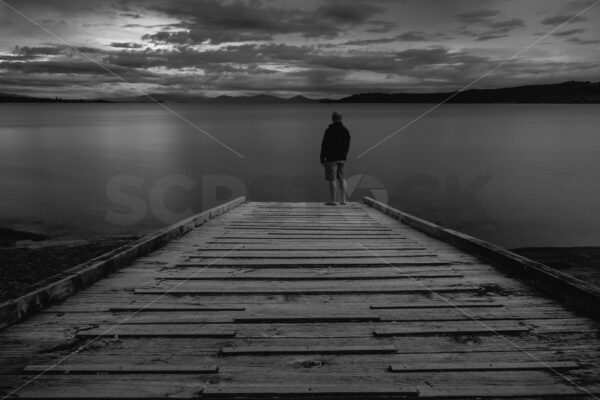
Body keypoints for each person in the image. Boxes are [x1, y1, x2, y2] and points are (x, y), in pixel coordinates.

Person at [320, 111, 350, 205]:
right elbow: (347, 144)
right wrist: (344, 154)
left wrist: (322, 158)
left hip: (331, 158)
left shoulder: (329, 130)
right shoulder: (345, 130)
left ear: (332, 118)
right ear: (341, 118)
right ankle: (343, 200)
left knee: (332, 179)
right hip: (342, 157)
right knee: (342, 178)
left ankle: (333, 201)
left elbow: (324, 145)